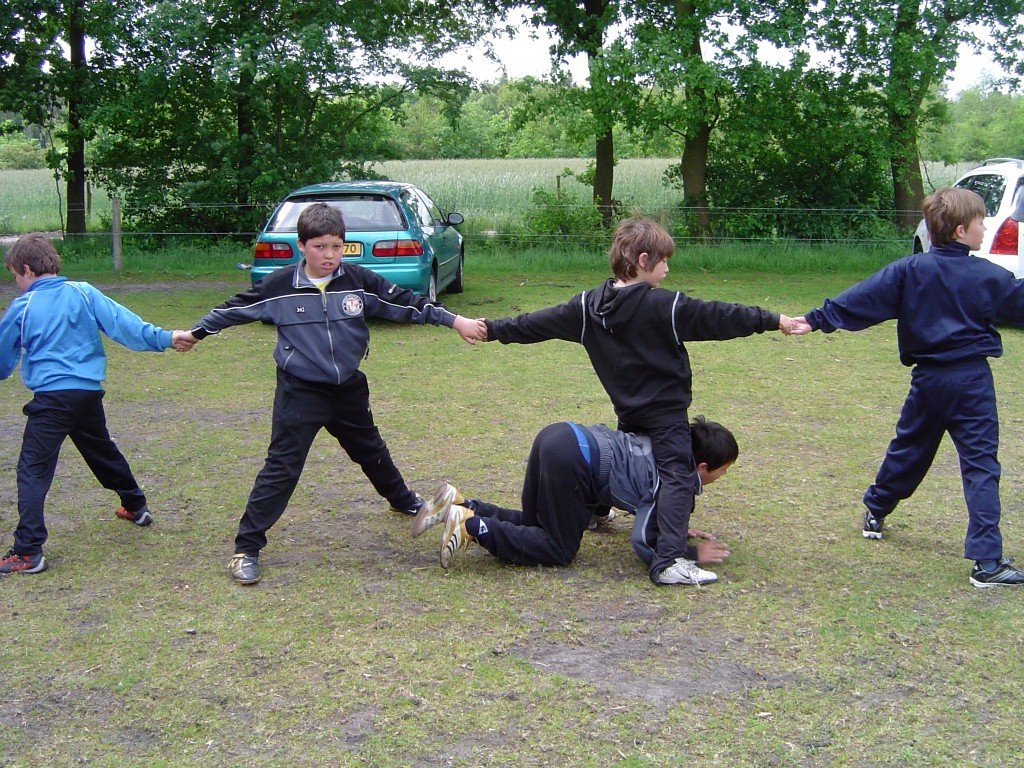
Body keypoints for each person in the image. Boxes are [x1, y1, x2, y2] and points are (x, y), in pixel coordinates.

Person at [179, 203, 486, 585]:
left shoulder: (357, 281)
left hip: (348, 389)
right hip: (300, 392)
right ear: (301, 245)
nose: (329, 255)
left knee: (370, 449)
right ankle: (247, 548)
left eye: (336, 247)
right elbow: (232, 310)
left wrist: (455, 320)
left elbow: (407, 303)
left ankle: (403, 501)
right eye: (320, 247)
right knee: (282, 467)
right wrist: (195, 334)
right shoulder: (279, 287)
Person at [482, 217, 795, 586]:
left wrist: (491, 329)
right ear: (643, 260)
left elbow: (533, 324)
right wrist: (772, 319)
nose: (668, 269)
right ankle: (669, 562)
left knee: (627, 467)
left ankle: (598, 512)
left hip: (629, 413)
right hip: (666, 416)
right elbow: (720, 317)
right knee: (676, 478)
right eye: (664, 261)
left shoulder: (586, 306)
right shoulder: (667, 306)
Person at [791, 187, 1024, 588]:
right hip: (972, 383)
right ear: (960, 230)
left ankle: (876, 509)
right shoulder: (989, 276)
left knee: (910, 450)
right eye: (980, 222)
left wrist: (815, 319)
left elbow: (861, 299)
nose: (985, 229)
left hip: (929, 382)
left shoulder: (909, 270)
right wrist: (817, 318)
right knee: (981, 466)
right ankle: (987, 563)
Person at [0, 233, 194, 575]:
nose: (17, 283)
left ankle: (28, 551)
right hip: (87, 394)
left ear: (26, 269)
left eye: (15, 276)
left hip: (52, 399)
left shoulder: (23, 307)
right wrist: (166, 337)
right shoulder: (84, 292)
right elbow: (125, 325)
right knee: (101, 451)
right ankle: (136, 506)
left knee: (32, 469)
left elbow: (2, 363)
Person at [412, 416, 737, 579]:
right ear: (702, 467)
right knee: (557, 549)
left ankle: (460, 505)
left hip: (561, 435)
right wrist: (689, 553)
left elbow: (634, 479)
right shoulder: (677, 480)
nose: (723, 476)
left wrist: (673, 524)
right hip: (574, 457)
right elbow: (643, 541)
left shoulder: (667, 444)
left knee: (536, 526)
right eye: (723, 470)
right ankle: (470, 526)